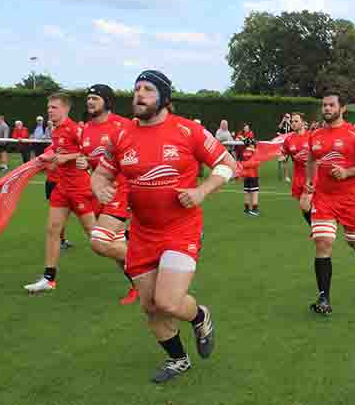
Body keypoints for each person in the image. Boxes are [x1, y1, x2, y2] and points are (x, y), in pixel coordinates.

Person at [92, 70, 238, 383]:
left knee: (168, 302)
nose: (139, 95)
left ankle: (200, 316)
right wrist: (98, 186)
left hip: (180, 230)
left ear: (164, 98)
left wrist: (201, 191)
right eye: (136, 89)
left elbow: (229, 164)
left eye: (147, 89)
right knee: (150, 307)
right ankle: (179, 359)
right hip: (142, 233)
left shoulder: (188, 131)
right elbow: (101, 174)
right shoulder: (120, 135)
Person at [303, 91, 355, 315]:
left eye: (331, 105)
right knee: (323, 242)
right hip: (324, 198)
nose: (326, 109)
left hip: (350, 199)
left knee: (354, 241)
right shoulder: (315, 135)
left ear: (342, 108)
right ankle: (324, 299)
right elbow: (311, 160)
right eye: (324, 105)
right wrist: (309, 181)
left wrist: (347, 172)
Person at [24, 94, 96, 293]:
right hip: (61, 187)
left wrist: (67, 157)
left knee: (97, 238)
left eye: (54, 107)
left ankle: (135, 268)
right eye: (49, 107)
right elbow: (56, 151)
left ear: (66, 109)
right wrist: (48, 158)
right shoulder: (55, 130)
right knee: (53, 229)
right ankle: (49, 278)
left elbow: (90, 153)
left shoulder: (76, 129)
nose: (49, 110)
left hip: (79, 188)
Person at [77, 84, 138, 305]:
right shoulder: (86, 129)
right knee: (115, 243)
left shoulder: (124, 125)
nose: (90, 102)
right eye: (88, 98)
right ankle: (138, 285)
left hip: (122, 190)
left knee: (100, 242)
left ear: (107, 101)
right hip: (100, 193)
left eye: (95, 98)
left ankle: (148, 262)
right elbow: (95, 166)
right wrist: (83, 163)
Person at [281, 112, 313, 225]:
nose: (293, 124)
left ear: (303, 123)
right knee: (304, 206)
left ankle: (316, 228)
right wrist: (282, 157)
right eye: (292, 121)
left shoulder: (311, 136)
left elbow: (320, 154)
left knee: (305, 204)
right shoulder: (289, 139)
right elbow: (284, 153)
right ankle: (317, 225)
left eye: (296, 121)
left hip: (311, 175)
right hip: (298, 176)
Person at [241, 137, 260, 216]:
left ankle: (246, 209)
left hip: (245, 175)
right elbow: (257, 163)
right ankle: (254, 209)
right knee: (254, 192)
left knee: (247, 192)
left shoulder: (243, 152)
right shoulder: (254, 152)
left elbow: (241, 163)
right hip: (253, 175)